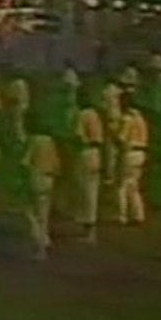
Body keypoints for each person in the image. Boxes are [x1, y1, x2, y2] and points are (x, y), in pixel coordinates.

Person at [21, 115, 61, 261]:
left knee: (31, 212)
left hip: (35, 177)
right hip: (49, 177)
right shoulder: (50, 141)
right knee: (44, 213)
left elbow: (25, 162)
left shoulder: (33, 140)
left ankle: (38, 243)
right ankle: (44, 239)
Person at [74, 88, 104, 243]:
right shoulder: (96, 114)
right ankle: (91, 230)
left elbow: (78, 136)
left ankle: (88, 231)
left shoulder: (82, 114)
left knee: (85, 193)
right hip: (96, 153)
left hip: (85, 153)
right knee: (93, 192)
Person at [116, 93, 149, 226]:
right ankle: (138, 214)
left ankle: (121, 216)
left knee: (122, 186)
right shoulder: (141, 119)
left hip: (129, 153)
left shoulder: (127, 119)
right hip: (141, 152)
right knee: (134, 186)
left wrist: (113, 132)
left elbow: (121, 138)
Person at [101, 76, 124, 187]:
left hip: (110, 119)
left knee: (110, 149)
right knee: (113, 151)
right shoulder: (116, 90)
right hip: (114, 119)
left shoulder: (107, 90)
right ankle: (111, 175)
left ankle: (110, 175)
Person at [6, 74, 30, 145]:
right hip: (24, 104)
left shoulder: (15, 83)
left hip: (17, 106)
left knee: (17, 123)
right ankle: (20, 138)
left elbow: (13, 97)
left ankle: (21, 139)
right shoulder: (23, 82)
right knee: (20, 123)